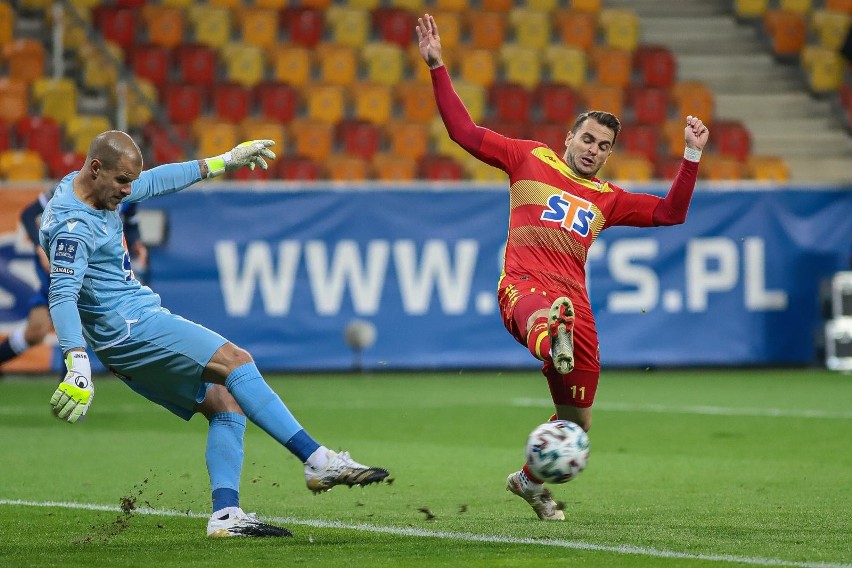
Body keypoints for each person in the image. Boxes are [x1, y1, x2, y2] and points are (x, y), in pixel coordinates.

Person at [416, 14, 709, 522]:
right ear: (569, 137)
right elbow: (463, 131)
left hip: (575, 303)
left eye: (603, 146)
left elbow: (670, 213)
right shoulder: (528, 158)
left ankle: (528, 481)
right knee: (545, 316)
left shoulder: (608, 198)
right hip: (524, 288)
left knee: (578, 425)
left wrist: (691, 155)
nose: (593, 151)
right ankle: (553, 339)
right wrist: (438, 66)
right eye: (588, 139)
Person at [40, 132, 390, 538]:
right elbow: (61, 293)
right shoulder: (73, 225)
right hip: (131, 330)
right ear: (96, 169)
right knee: (236, 361)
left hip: (124, 339)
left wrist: (227, 160)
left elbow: (156, 181)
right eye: (122, 181)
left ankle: (226, 516)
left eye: (130, 180)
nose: (129, 190)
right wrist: (76, 361)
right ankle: (318, 460)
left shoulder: (87, 186)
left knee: (225, 403)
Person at [0, 191, 147, 372]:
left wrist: (136, 243)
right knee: (37, 331)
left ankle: (73, 387)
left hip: (97, 270)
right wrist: (39, 246)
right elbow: (29, 214)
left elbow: (130, 221)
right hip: (64, 264)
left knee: (77, 325)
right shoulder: (74, 186)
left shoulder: (127, 189)